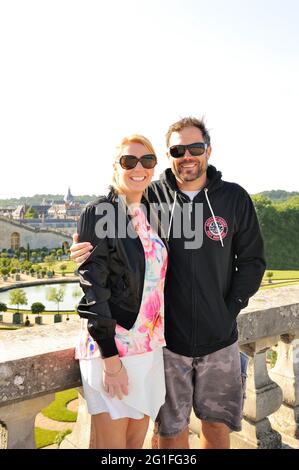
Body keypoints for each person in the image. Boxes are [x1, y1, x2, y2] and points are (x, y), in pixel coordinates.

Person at [71, 117, 265, 449]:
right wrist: (80, 250)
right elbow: (107, 247)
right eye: (178, 149)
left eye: (195, 148)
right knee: (168, 433)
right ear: (170, 155)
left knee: (216, 429)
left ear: (208, 150)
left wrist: (228, 310)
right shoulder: (153, 197)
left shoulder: (233, 198)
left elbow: (252, 263)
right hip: (165, 344)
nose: (187, 155)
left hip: (215, 339)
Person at [74, 134, 168, 449]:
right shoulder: (99, 212)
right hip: (112, 349)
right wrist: (111, 361)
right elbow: (93, 291)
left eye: (147, 160)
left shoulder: (152, 213)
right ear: (116, 167)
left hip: (149, 347)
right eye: (129, 161)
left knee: (133, 447)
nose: (138, 168)